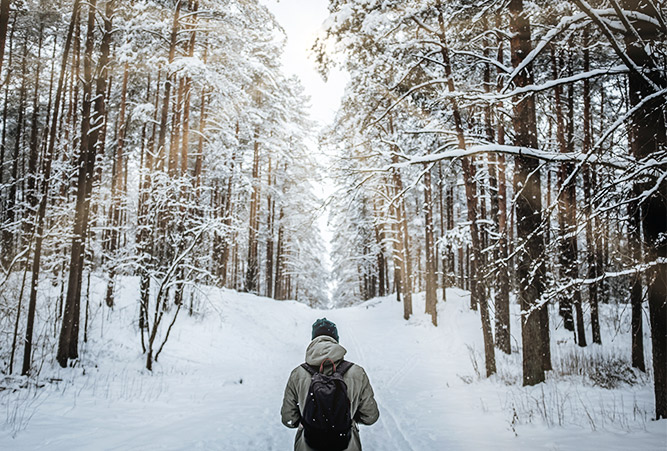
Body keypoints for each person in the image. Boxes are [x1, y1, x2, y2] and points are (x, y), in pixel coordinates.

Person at [281, 318, 379, 451]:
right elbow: (370, 417)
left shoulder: (297, 374)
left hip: (308, 445)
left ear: (313, 339)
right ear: (336, 339)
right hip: (347, 445)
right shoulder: (357, 373)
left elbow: (289, 419)